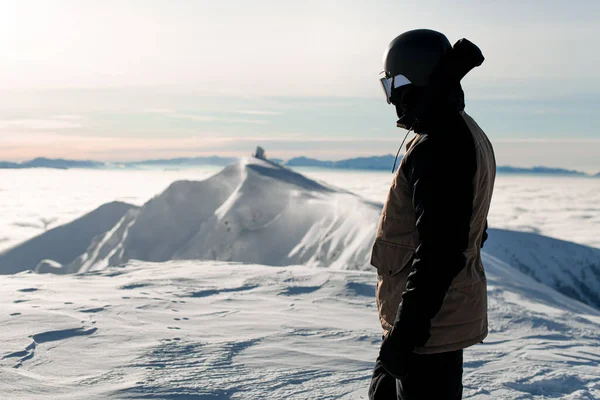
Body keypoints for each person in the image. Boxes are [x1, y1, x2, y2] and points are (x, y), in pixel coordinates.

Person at [369, 29, 496, 399]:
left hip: (428, 333)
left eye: (394, 86)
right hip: (427, 325)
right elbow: (469, 226)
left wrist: (407, 336)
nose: (392, 99)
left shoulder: (440, 143)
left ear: (414, 80)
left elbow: (441, 249)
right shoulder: (453, 130)